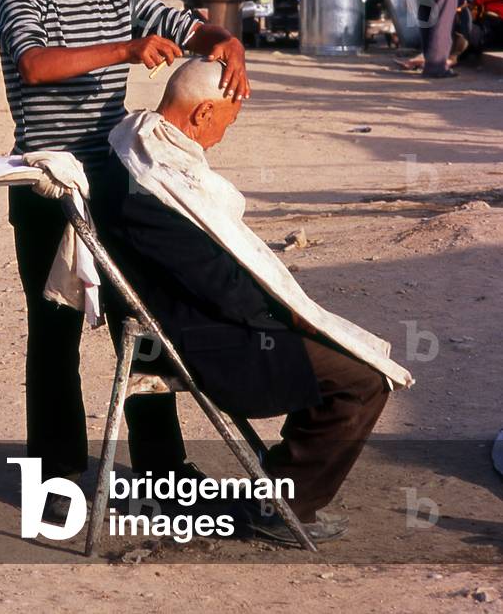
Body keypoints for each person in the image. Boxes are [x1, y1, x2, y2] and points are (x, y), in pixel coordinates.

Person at [0, 0, 248, 518]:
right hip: (48, 185)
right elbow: (35, 64)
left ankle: (164, 463)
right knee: (55, 331)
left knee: (143, 319)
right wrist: (127, 49)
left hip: (115, 180)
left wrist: (226, 41)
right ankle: (53, 477)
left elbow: (190, 27)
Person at [90, 58, 411, 545]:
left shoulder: (135, 150)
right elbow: (215, 281)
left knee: (344, 349)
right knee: (364, 379)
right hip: (209, 336)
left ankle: (278, 486)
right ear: (201, 114)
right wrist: (282, 318)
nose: (223, 134)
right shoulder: (147, 187)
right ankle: (286, 504)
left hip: (203, 315)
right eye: (225, 121)